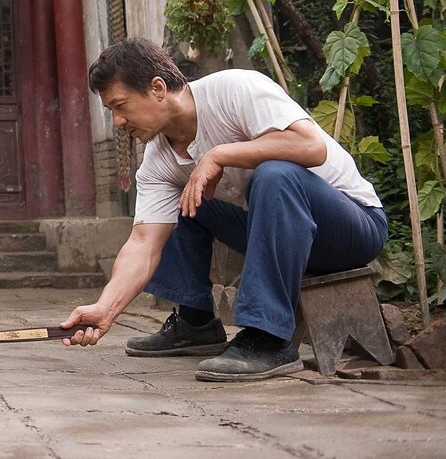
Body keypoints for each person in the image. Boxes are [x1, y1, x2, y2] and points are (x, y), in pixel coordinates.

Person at [59, 38, 387, 382]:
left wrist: (218, 155)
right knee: (186, 198)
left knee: (275, 174)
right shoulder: (157, 162)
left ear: (157, 88)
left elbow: (310, 145)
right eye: (111, 111)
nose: (117, 121)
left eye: (120, 105)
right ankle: (195, 324)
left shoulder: (235, 90)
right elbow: (144, 243)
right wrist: (106, 308)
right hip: (282, 233)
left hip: (352, 227)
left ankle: (269, 338)